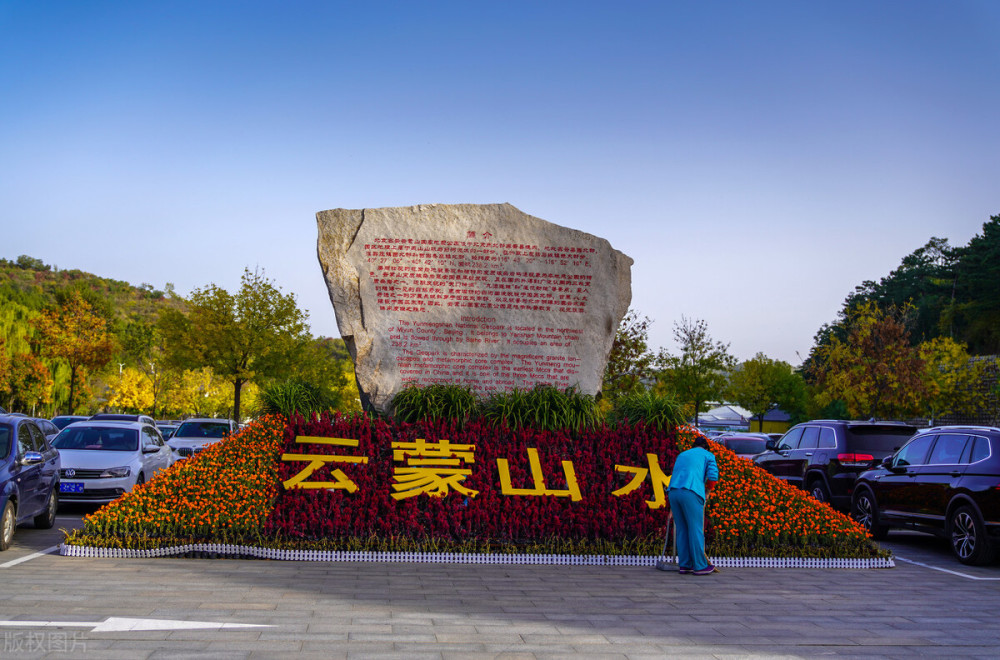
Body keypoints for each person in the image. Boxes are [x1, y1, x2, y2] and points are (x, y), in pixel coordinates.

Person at [667, 436, 719, 575]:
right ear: (706, 447)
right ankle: (700, 566)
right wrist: (707, 491)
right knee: (696, 529)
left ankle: (685, 565)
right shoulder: (708, 455)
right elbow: (713, 477)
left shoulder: (682, 454)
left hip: (673, 492)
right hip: (692, 491)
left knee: (682, 529)